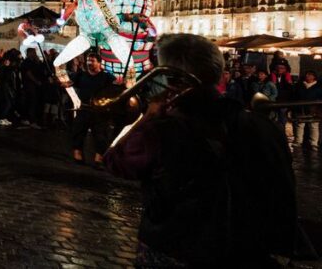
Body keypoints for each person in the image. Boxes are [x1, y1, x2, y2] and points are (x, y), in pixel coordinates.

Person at [104, 34, 300, 266]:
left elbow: (115, 161)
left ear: (170, 76)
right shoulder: (263, 125)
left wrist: (146, 117)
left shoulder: (163, 129)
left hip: (177, 248)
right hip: (249, 251)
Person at [62, 52, 115, 165]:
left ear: (99, 63)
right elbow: (70, 83)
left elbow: (115, 89)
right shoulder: (81, 75)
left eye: (92, 61)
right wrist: (63, 83)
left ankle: (99, 158)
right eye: (88, 61)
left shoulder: (107, 77)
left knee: (100, 135)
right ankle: (78, 154)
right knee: (78, 132)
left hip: (100, 111)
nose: (89, 63)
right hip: (84, 109)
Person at [292, 70, 322, 150]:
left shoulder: (318, 87)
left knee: (314, 126)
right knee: (300, 125)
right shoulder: (300, 86)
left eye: (310, 75)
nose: (308, 76)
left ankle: (314, 143)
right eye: (307, 75)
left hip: (314, 109)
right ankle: (298, 142)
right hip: (301, 108)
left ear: (314, 76)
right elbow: (295, 96)